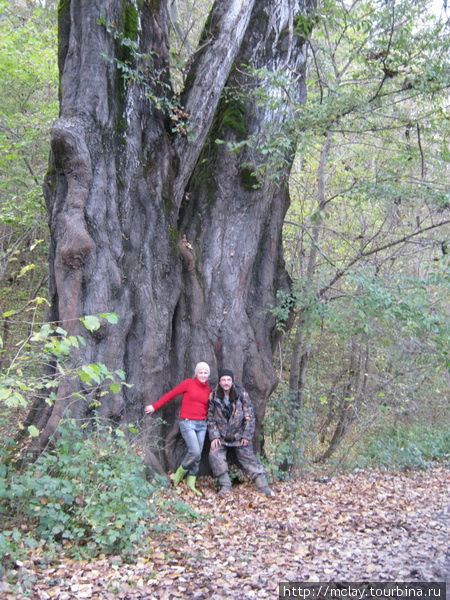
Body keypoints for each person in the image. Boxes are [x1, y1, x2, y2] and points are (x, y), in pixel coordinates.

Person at [145, 361, 211, 496]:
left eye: (205, 373)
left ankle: (191, 482)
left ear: (208, 375)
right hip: (187, 423)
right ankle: (179, 473)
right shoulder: (188, 383)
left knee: (197, 456)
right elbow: (171, 395)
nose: (203, 375)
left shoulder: (209, 390)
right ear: (196, 373)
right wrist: (155, 406)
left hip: (202, 425)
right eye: (200, 372)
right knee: (195, 452)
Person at [207, 368, 274, 497]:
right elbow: (210, 418)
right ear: (220, 381)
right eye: (223, 380)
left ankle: (264, 486)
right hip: (221, 437)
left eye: (228, 380)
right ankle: (225, 485)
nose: (226, 382)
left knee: (249, 460)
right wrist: (214, 436)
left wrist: (246, 435)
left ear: (232, 381)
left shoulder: (241, 393)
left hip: (239, 436)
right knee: (214, 455)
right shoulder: (214, 395)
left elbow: (249, 416)